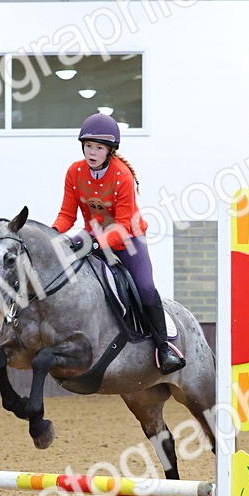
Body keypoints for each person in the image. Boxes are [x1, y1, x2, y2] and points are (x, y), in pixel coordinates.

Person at [51, 113, 185, 374]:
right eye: (88, 146)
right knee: (61, 261)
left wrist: (97, 244)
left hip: (128, 239)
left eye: (99, 147)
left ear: (110, 151)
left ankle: (163, 347)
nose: (92, 152)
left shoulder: (122, 175)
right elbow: (68, 214)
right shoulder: (74, 172)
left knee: (145, 288)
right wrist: (53, 233)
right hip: (92, 235)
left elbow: (123, 224)